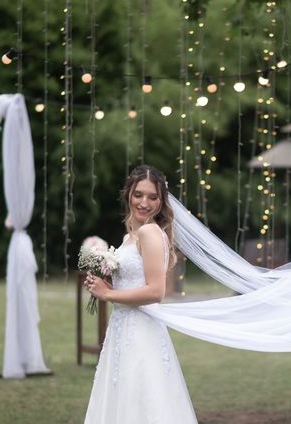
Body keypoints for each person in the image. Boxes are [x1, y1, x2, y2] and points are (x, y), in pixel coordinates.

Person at [84, 165, 197, 423]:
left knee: (142, 402)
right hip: (122, 330)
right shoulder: (129, 237)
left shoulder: (149, 233)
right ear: (128, 195)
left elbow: (156, 291)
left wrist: (108, 295)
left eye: (152, 197)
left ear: (161, 202)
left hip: (141, 332)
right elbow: (134, 284)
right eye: (138, 194)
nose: (144, 202)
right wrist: (105, 285)